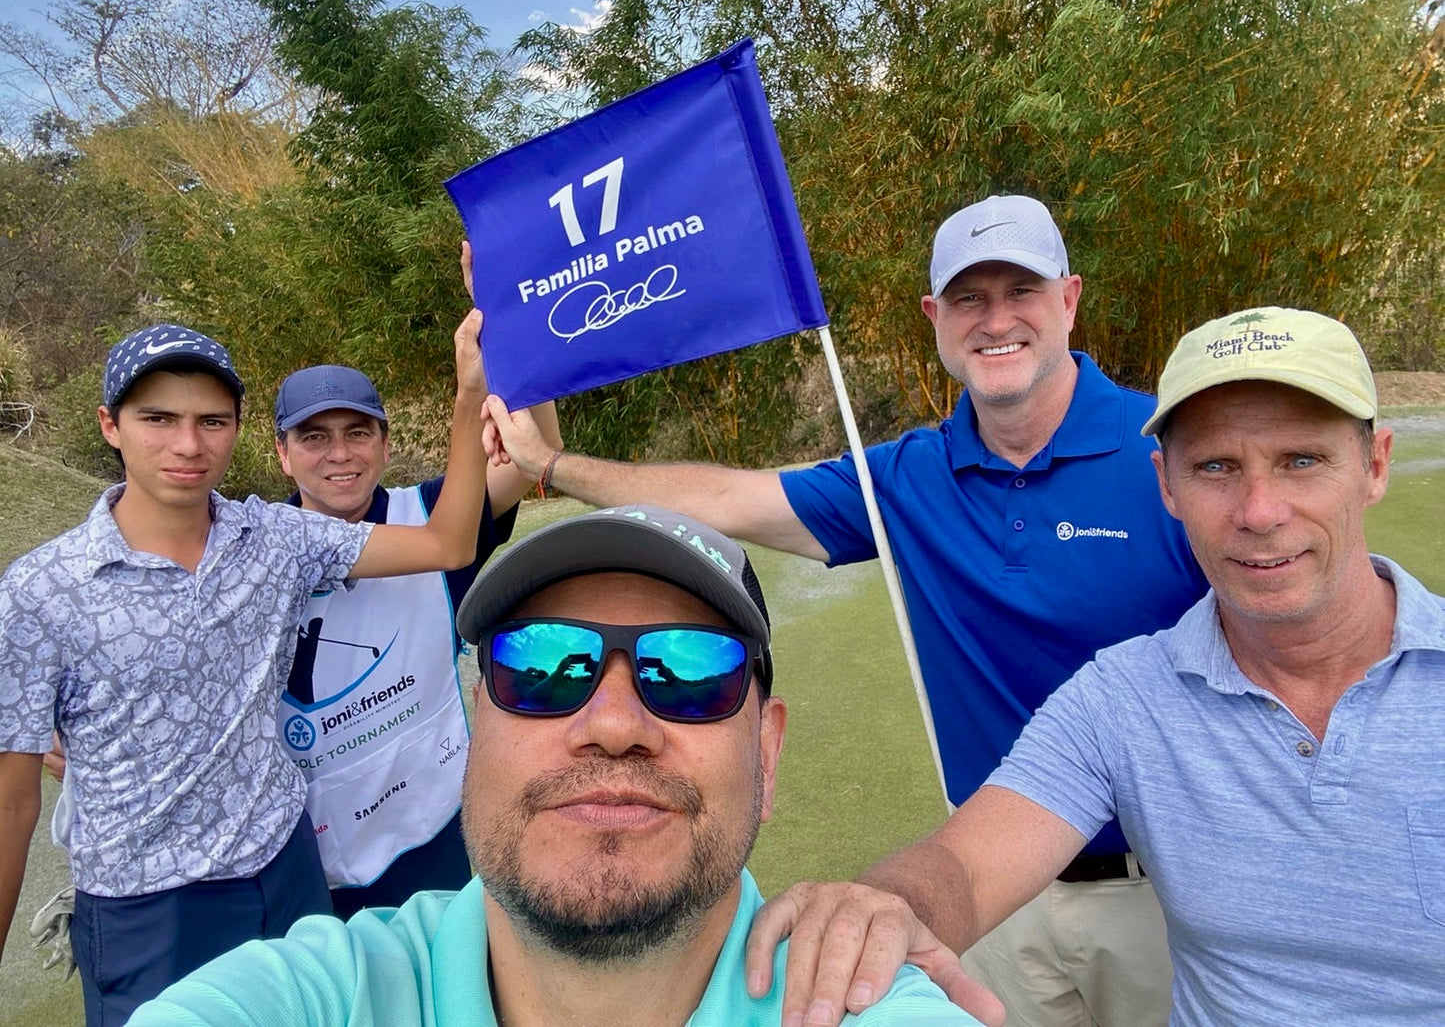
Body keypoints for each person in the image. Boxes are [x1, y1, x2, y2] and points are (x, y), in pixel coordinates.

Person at [481, 195, 1209, 1025]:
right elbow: (731, 499)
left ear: (1069, 300)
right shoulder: (905, 477)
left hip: (1163, 893)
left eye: (1022, 291)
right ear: (934, 317)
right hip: (987, 892)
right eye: (969, 298)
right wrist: (554, 464)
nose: (995, 318)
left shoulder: (1167, 446)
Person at [741, 306, 1445, 1025]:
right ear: (1165, 486)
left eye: (1300, 460)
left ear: (1373, 466)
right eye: (1214, 467)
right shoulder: (1121, 696)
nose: (1259, 511)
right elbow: (967, 866)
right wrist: (883, 907)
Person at [128, 505, 987, 1027]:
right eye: (542, 667)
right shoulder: (324, 995)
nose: (614, 724)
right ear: (474, 719)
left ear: (765, 748)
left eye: (689, 672)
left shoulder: (861, 1005)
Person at [0, 264, 492, 1025]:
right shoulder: (41, 590)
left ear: (235, 429)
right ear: (110, 426)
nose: (187, 444)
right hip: (147, 906)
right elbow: (11, 802)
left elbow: (448, 540)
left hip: (287, 867)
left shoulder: (277, 537)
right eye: (157, 419)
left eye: (211, 421)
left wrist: (468, 394)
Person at [272, 342, 561, 917]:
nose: (339, 454)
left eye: (358, 433)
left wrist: (523, 329)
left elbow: (540, 453)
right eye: (313, 437)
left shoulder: (434, 514)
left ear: (384, 443)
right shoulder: (251, 551)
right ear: (282, 454)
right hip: (305, 858)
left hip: (430, 828)